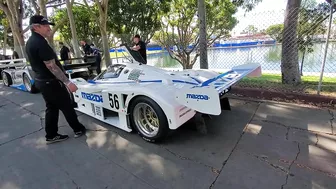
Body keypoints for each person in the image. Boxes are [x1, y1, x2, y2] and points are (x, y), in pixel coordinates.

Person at [25, 15, 86, 144]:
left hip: (42, 81)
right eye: (45, 25)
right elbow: (52, 67)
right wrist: (67, 82)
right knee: (67, 105)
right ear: (36, 27)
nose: (49, 28)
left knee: (51, 107)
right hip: (50, 82)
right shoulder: (40, 43)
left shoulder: (31, 41)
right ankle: (78, 129)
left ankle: (51, 135)